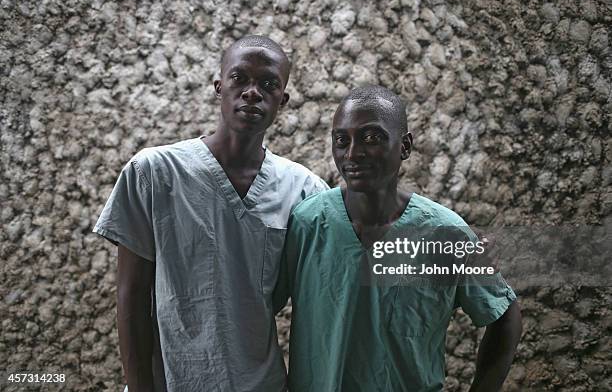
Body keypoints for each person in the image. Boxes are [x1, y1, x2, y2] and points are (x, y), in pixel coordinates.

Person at [93, 35, 328, 392]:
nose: (252, 92)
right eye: (239, 78)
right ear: (219, 86)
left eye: (268, 84)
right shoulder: (155, 173)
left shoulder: (304, 191)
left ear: (283, 99)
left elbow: (311, 308)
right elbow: (132, 294)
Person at [274, 85, 522, 391]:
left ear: (404, 146)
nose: (353, 153)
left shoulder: (444, 233)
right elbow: (260, 306)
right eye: (342, 141)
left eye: (371, 138)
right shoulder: (308, 223)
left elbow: (505, 317)